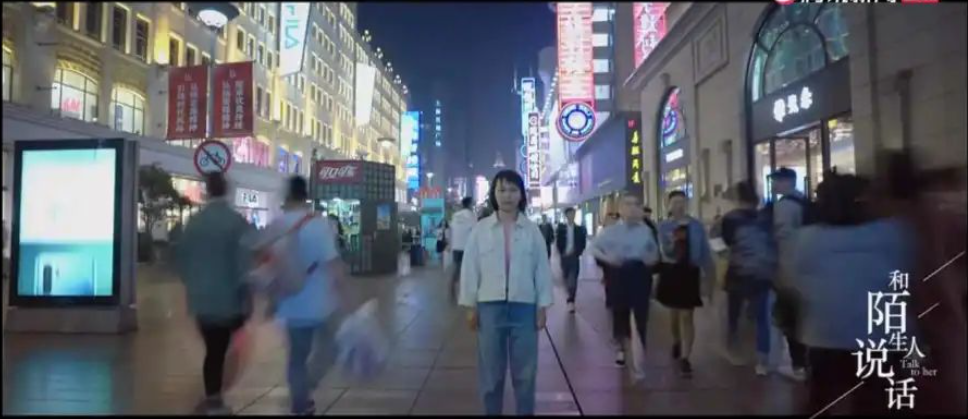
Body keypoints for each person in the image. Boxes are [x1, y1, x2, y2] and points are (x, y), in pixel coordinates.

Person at [789, 172, 914, 415]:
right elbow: (908, 278)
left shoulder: (807, 239)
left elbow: (795, 282)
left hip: (825, 335)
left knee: (821, 400)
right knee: (877, 403)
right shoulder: (893, 233)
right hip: (881, 336)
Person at [459, 170, 553, 415]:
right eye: (501, 190)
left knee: (525, 374)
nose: (507, 196)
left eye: (512, 190)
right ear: (494, 194)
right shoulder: (481, 230)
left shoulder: (532, 231)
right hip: (490, 307)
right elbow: (470, 268)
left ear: (521, 194)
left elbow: (542, 269)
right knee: (491, 374)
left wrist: (542, 306)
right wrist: (470, 305)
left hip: (524, 307)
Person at [259, 176, 348, 415]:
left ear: (287, 196)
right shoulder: (319, 224)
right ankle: (305, 388)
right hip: (322, 304)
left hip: (290, 305)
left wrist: (270, 299)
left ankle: (300, 402)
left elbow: (267, 265)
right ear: (305, 195)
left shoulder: (276, 225)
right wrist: (346, 297)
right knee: (331, 349)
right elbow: (334, 264)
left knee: (296, 358)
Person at [175, 173, 254, 415]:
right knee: (228, 350)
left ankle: (213, 397)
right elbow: (244, 265)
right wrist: (248, 296)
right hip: (229, 301)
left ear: (207, 191)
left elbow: (181, 261)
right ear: (226, 190)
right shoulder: (236, 223)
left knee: (213, 350)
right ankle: (215, 398)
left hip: (202, 302)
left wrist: (194, 284)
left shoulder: (194, 223)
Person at [590, 195, 660, 367]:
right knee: (620, 312)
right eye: (628, 204)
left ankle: (640, 348)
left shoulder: (646, 231)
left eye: (636, 204)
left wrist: (651, 260)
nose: (632, 208)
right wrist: (609, 259)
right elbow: (594, 248)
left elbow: (655, 252)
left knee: (641, 313)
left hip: (640, 273)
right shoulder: (611, 231)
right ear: (620, 209)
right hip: (619, 273)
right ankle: (621, 347)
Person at [656, 190, 716, 377]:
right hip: (672, 271)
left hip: (690, 273)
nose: (679, 206)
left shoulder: (696, 226)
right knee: (674, 314)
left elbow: (704, 252)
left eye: (682, 202)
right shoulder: (664, 226)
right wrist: (673, 241)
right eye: (675, 202)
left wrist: (709, 275)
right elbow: (664, 251)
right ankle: (676, 340)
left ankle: (685, 357)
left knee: (687, 315)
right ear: (669, 205)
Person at [721, 181, 774, 375]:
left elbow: (724, 243)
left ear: (737, 198)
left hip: (737, 272)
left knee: (733, 315)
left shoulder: (730, 219)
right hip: (762, 273)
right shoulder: (765, 218)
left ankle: (734, 350)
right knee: (762, 317)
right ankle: (762, 360)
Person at [767, 167, 810, 382]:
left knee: (790, 319)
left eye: (776, 181)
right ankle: (808, 362)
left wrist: (778, 271)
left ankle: (799, 365)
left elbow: (782, 240)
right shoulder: (806, 203)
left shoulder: (783, 207)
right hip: (809, 269)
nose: (773, 185)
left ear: (786, 182)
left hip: (789, 270)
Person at [556, 207, 587, 313]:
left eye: (573, 214)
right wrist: (562, 252)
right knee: (566, 278)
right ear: (566, 216)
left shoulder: (580, 229)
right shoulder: (561, 229)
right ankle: (569, 295)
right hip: (564, 257)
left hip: (574, 257)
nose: (571, 216)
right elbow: (558, 242)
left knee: (573, 279)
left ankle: (571, 301)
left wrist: (578, 252)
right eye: (569, 214)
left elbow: (583, 242)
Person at [449, 197, 477, 293]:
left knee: (457, 268)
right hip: (467, 247)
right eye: (473, 203)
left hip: (456, 246)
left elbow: (452, 229)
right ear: (469, 204)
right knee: (468, 270)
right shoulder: (471, 215)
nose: (473, 205)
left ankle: (452, 287)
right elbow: (475, 230)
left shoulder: (455, 215)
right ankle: (465, 291)